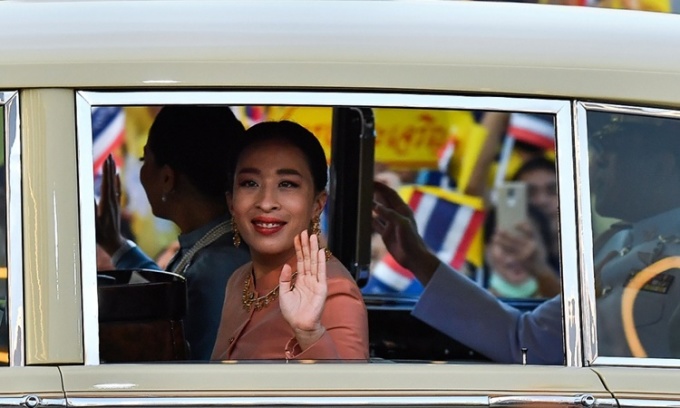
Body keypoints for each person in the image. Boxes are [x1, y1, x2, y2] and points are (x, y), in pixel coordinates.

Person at [372, 112, 680, 363]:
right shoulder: (619, 243)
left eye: (613, 150)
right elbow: (526, 339)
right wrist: (418, 258)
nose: (596, 162)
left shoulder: (663, 253)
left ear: (660, 166)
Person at [96, 105, 250, 360]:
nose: (142, 173)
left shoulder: (216, 266)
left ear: (167, 178)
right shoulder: (213, 249)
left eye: (145, 160)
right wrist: (115, 244)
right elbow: (170, 292)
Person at [211, 120, 368, 361]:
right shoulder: (239, 280)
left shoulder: (335, 291)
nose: (266, 202)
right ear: (231, 201)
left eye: (287, 185)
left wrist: (310, 335)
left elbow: (349, 394)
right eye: (250, 183)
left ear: (318, 204)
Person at [484, 205, 560, 299]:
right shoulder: (470, 300)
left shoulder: (571, 287)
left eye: (525, 240)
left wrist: (540, 269)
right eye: (505, 246)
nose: (517, 255)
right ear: (487, 249)